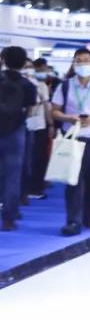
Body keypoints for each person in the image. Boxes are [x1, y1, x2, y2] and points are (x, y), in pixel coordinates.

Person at [51, 48, 90, 236]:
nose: (82, 64)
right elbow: (54, 111)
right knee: (73, 181)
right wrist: (70, 118)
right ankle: (73, 221)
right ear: (74, 64)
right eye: (78, 60)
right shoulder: (65, 86)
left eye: (86, 60)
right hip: (73, 139)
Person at [0, 47, 39, 231]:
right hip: (16, 131)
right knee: (13, 176)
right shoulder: (28, 85)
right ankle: (9, 217)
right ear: (24, 63)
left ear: (3, 60)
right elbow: (30, 110)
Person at [21, 58, 52, 203]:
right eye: (25, 66)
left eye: (30, 66)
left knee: (37, 158)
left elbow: (46, 106)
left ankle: (34, 188)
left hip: (37, 125)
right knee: (25, 160)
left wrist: (50, 124)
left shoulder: (40, 85)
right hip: (18, 126)